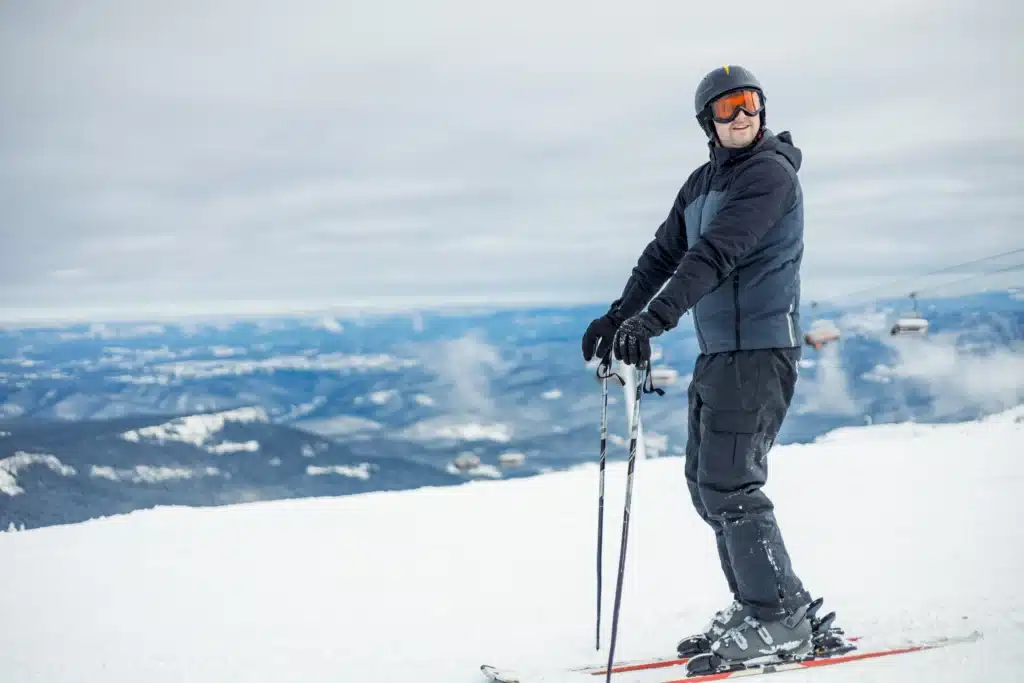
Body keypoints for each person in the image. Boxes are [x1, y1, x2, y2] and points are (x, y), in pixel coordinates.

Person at [581, 65, 819, 664]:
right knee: (705, 482)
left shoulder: (769, 176)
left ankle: (778, 620)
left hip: (759, 349)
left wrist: (652, 322)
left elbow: (715, 254)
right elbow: (665, 251)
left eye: (751, 103)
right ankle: (761, 601)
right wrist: (618, 316)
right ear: (707, 123)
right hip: (722, 352)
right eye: (729, 106)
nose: (743, 115)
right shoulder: (701, 182)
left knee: (731, 483)